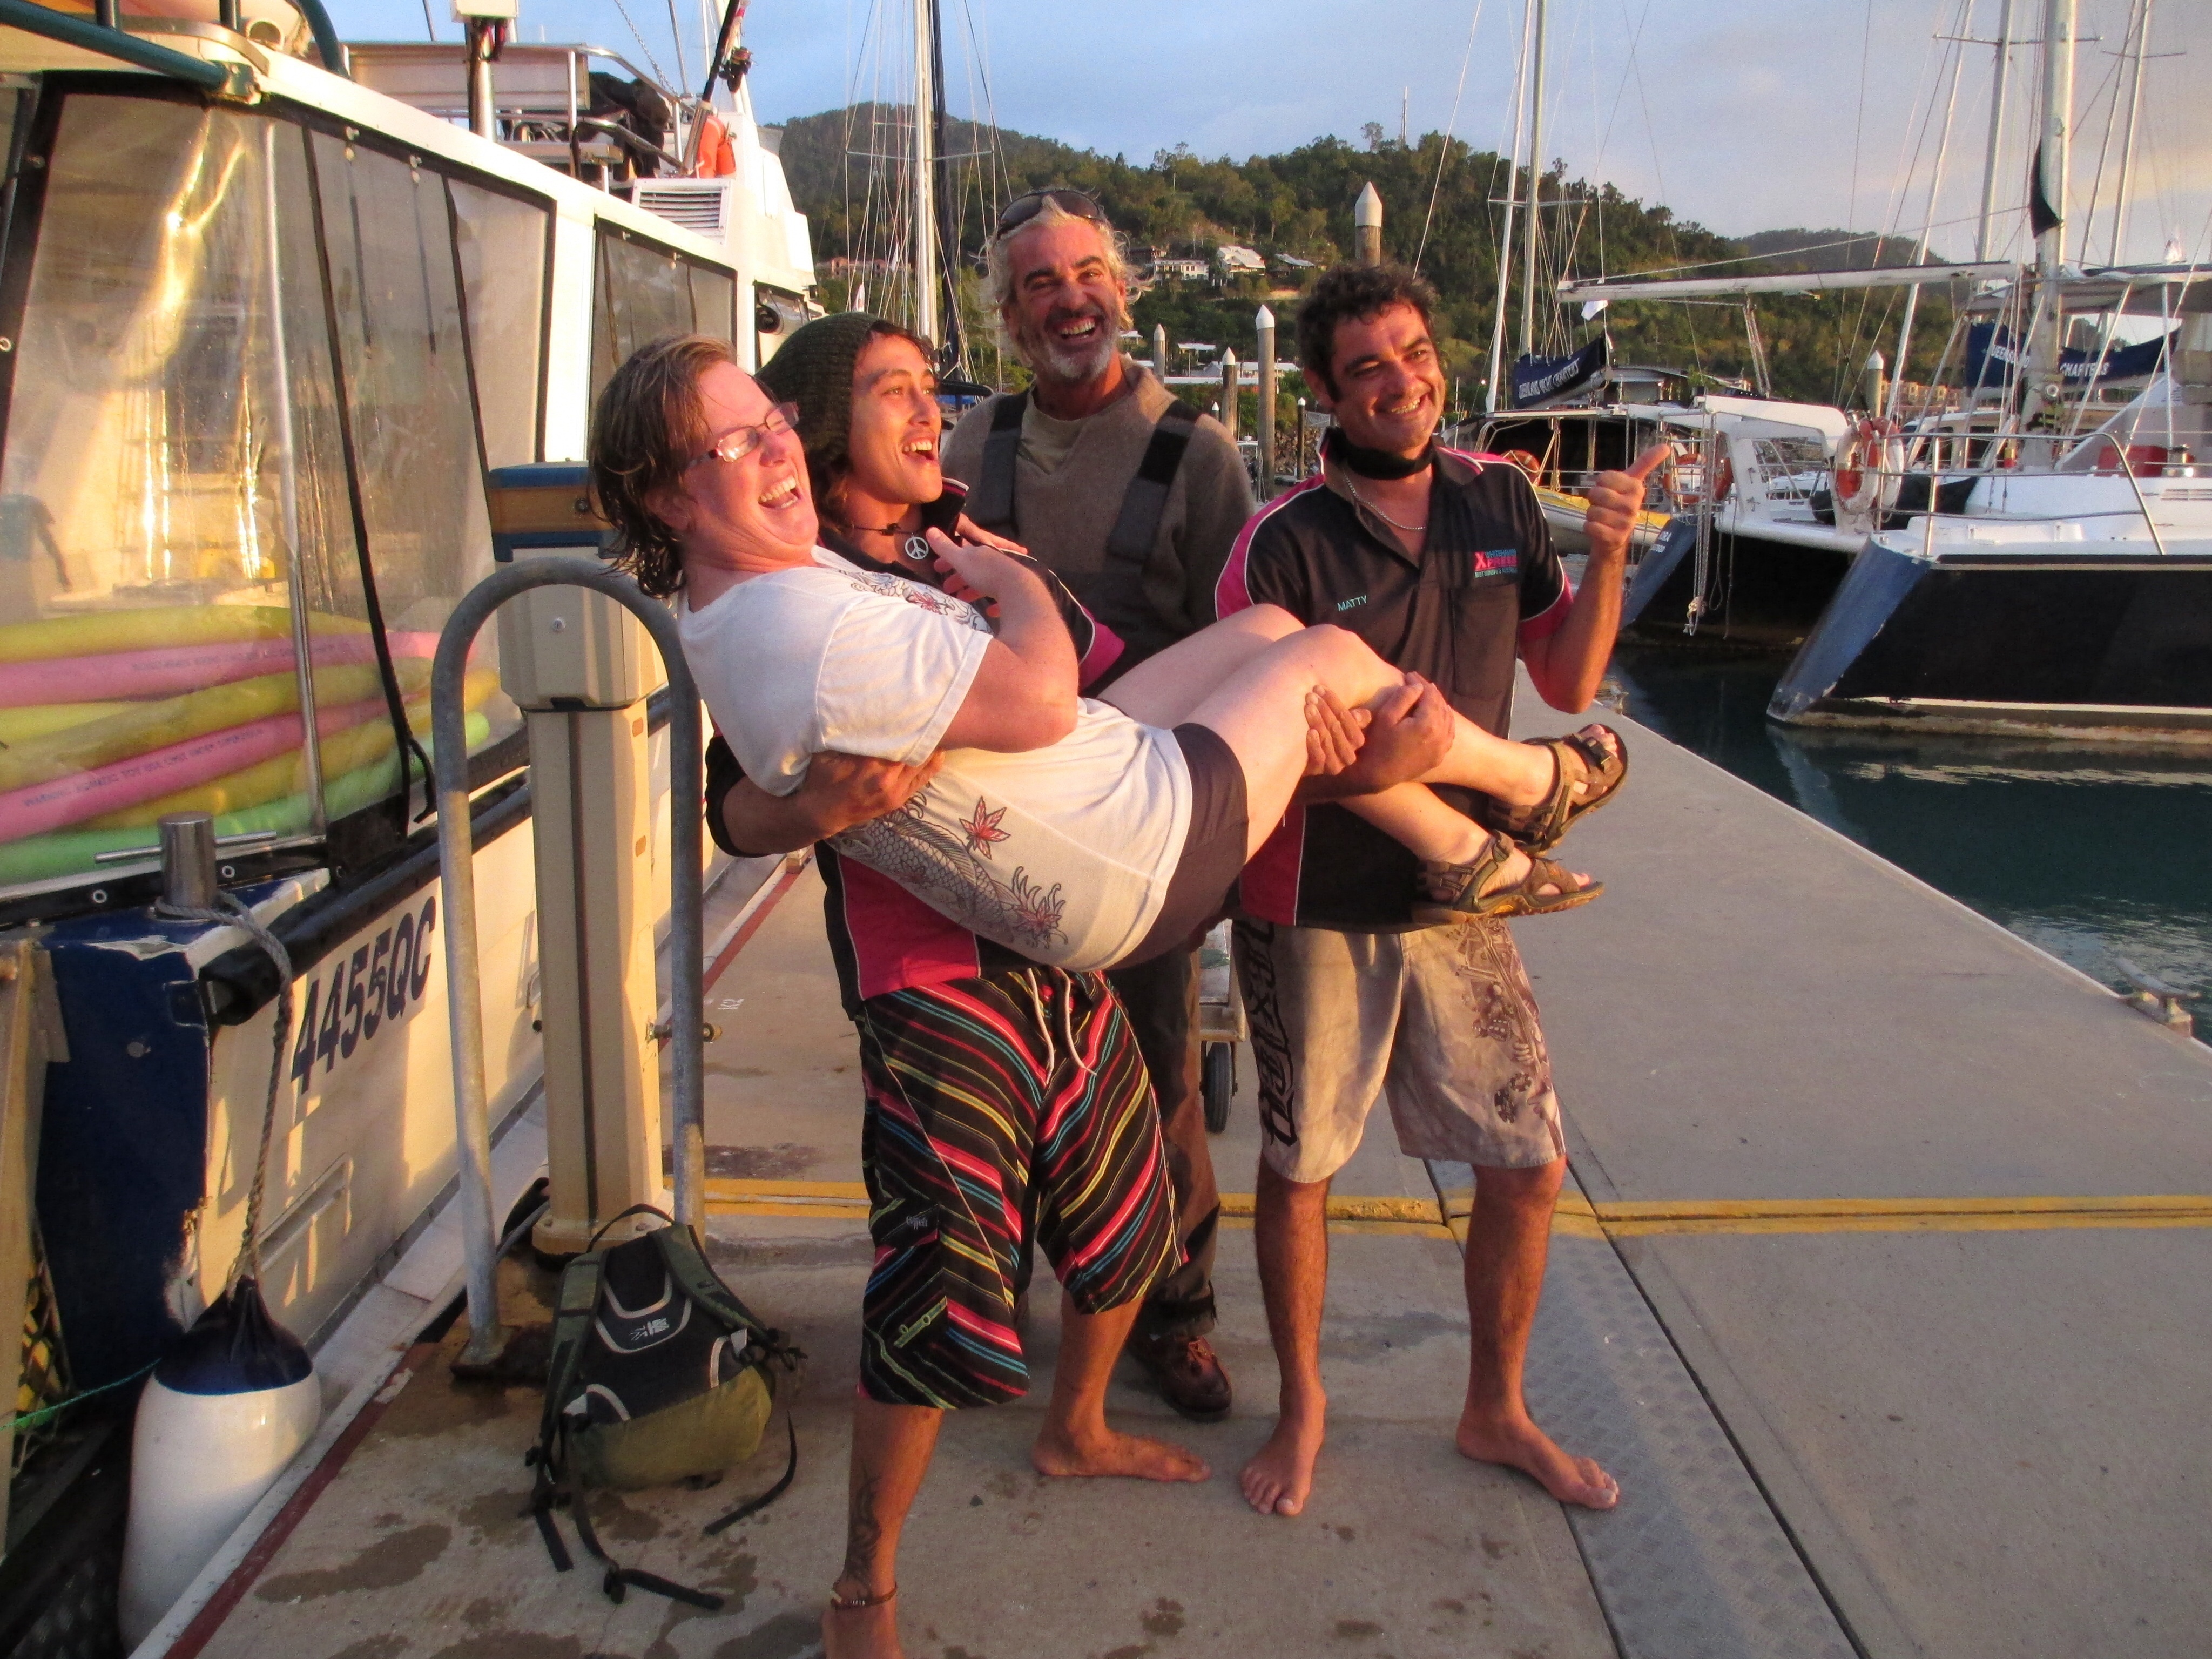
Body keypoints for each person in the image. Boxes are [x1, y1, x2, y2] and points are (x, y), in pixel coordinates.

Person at [587, 334, 1606, 1659]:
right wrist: (801, 802)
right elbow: (733, 797)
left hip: (1076, 899)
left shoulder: (921, 547)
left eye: (921, 389)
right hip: (945, 968)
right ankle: (864, 1589)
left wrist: (1287, 723)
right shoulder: (797, 591)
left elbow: (1107, 672)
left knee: (1133, 1204)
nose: (928, 413)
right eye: (893, 391)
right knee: (946, 1283)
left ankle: (1075, 1426)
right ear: (836, 434)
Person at [1215, 261, 1651, 1521]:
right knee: (1303, 1168)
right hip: (1316, 898)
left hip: (1467, 898)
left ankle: (1493, 1408)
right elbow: (1253, 748)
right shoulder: (1281, 540)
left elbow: (1566, 682)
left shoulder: (1501, 501)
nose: (1398, 382)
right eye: (1366, 368)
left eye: (1411, 353)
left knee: (1526, 1162)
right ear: (1323, 395)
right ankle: (1304, 1409)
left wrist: (1609, 553)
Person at [939, 186, 1256, 1419]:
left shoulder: (1201, 454)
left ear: (1120, 289)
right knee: (998, 1071)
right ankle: (991, 1308)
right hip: (995, 821)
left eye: (1086, 274)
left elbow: (1236, 647)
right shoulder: (969, 452)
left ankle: (1174, 1316)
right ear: (1009, 321)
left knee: (1159, 1073)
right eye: (1038, 284)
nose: (1069, 298)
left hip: (1137, 825)